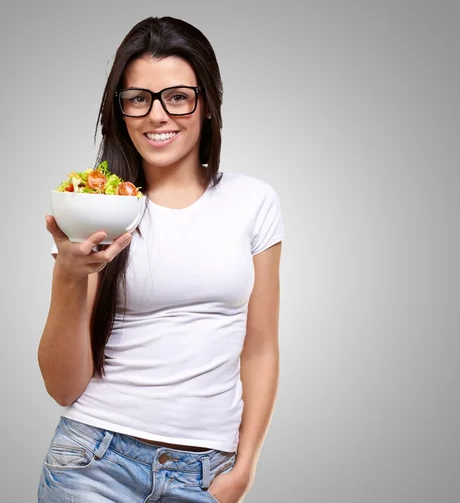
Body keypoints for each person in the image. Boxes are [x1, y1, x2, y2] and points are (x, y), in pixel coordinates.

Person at [38, 15, 284, 503]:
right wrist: (67, 276)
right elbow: (63, 388)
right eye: (138, 98)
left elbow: (260, 348)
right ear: (120, 110)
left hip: (207, 473)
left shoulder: (254, 201)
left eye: (177, 96)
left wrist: (245, 467)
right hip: (93, 462)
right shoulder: (98, 205)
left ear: (207, 103)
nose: (157, 115)